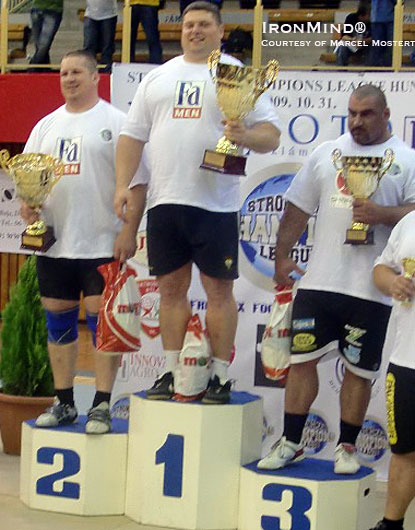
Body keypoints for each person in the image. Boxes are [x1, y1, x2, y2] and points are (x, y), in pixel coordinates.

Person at [115, 1, 280, 404]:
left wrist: (243, 135)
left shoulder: (235, 73)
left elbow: (272, 136)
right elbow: (132, 137)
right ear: (180, 30)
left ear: (221, 30)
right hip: (165, 201)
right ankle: (173, 373)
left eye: (204, 24)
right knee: (171, 291)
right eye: (189, 25)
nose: (195, 31)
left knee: (219, 292)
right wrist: (122, 185)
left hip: (216, 205)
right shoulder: (158, 78)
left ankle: (220, 377)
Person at [258, 84, 415, 474]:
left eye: (366, 114)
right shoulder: (326, 154)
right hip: (319, 282)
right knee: (301, 362)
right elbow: (297, 205)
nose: (357, 121)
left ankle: (347, 447)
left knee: (359, 373)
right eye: (352, 113)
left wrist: (382, 213)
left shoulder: (407, 160)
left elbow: (414, 214)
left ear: (385, 115)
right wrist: (281, 255)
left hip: (372, 291)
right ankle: (291, 441)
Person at [21, 50, 146, 434]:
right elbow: (27, 176)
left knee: (101, 325)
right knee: (57, 322)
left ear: (96, 77)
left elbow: (138, 183)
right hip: (56, 244)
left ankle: (102, 405)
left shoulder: (117, 122)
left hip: (101, 242)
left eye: (77, 72)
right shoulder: (45, 125)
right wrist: (29, 205)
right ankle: (64, 402)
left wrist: (128, 231)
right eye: (63, 73)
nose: (69, 78)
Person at [370, 212, 415, 530]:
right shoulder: (410, 222)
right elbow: (381, 269)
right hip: (406, 360)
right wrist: (393, 281)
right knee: (404, 451)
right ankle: (391, 524)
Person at [83, 0, 118, 73]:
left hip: (109, 15)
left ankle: (106, 72)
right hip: (90, 14)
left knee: (107, 46)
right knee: (89, 45)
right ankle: (88, 71)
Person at [29, 0, 63, 68]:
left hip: (53, 9)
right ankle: (45, 69)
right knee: (40, 46)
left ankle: (33, 67)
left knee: (43, 46)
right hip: (36, 8)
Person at [130, 0, 163, 64]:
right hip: (130, 4)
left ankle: (155, 67)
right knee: (128, 39)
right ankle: (126, 67)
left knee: (152, 38)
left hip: (149, 3)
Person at [370, 0, 396, 67]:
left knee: (390, 46)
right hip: (376, 19)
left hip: (391, 19)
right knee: (377, 46)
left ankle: (389, 68)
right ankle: (376, 68)